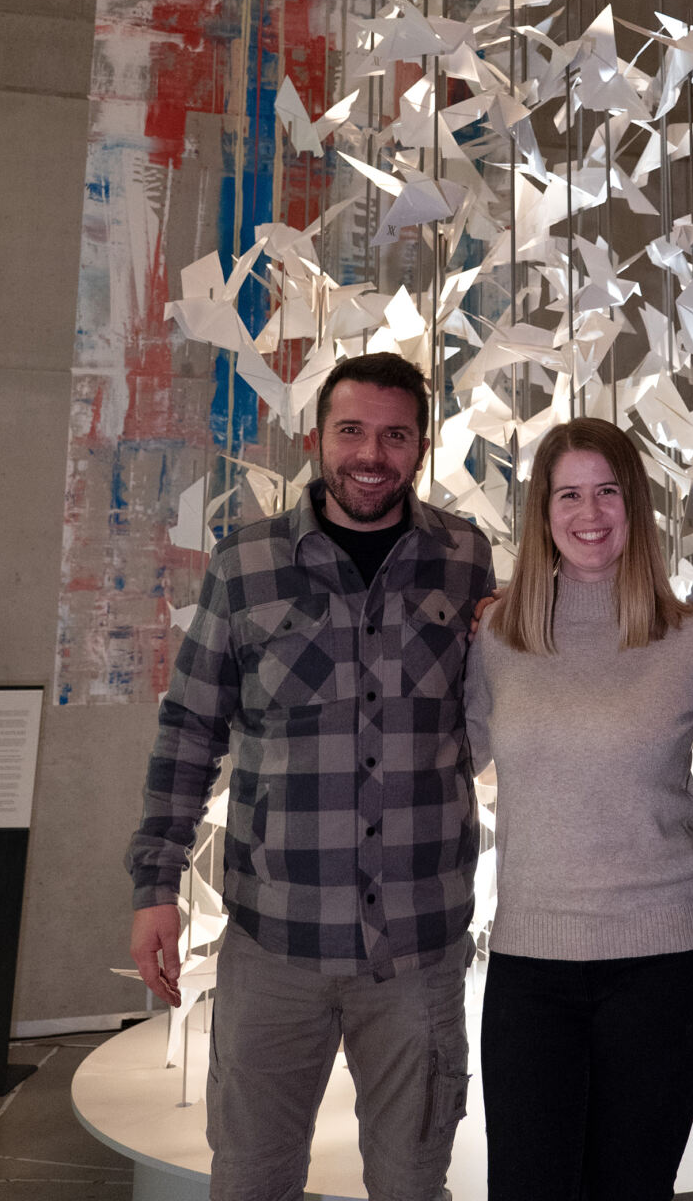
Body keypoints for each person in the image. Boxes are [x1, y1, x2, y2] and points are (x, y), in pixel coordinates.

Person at [126, 351, 495, 1201]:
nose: (373, 453)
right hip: (275, 942)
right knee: (252, 1179)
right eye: (352, 431)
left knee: (412, 1182)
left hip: (419, 947)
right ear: (314, 437)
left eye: (395, 435)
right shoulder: (245, 564)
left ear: (422, 444)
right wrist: (155, 885)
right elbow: (190, 728)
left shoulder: (466, 559)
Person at [464, 418, 693, 1201]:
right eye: (568, 494)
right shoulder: (497, 636)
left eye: (607, 491)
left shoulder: (690, 637)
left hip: (665, 968)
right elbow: (443, 760)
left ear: (633, 505)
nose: (589, 512)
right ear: (542, 512)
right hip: (530, 967)